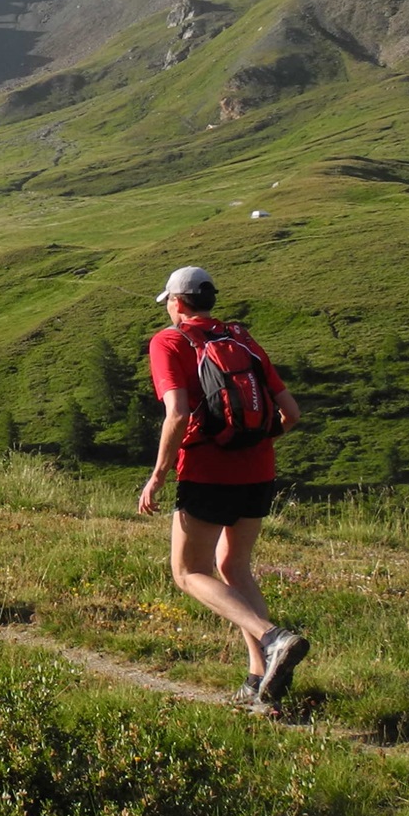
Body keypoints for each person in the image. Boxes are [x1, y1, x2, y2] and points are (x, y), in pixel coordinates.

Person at [138, 266, 307, 710]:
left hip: (208, 473)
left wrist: (158, 473)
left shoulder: (168, 341)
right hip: (259, 470)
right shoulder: (241, 339)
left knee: (188, 573)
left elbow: (176, 412)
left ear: (176, 302)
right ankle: (259, 680)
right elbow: (290, 413)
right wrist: (250, 443)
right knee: (235, 565)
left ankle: (273, 638)